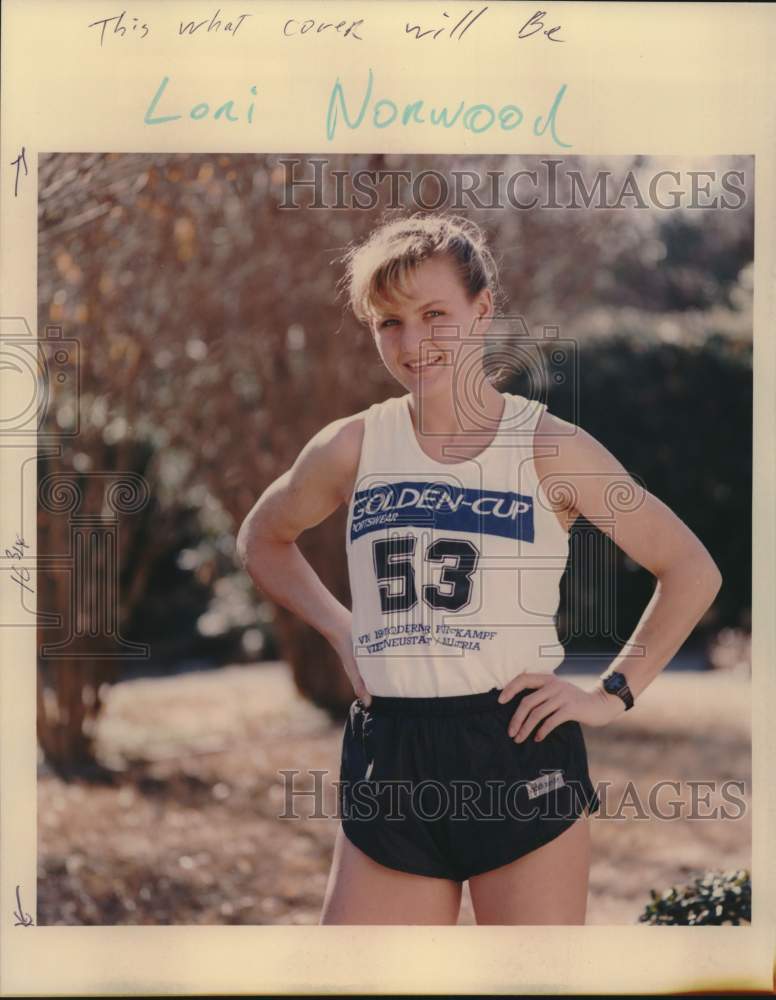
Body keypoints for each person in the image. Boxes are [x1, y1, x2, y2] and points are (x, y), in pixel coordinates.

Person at [236, 212, 722, 925]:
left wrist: (612, 692)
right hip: (392, 751)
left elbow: (689, 568)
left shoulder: (551, 448)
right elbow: (262, 539)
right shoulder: (352, 446)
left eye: (435, 314)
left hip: (516, 748)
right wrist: (344, 632)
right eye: (389, 323)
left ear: (483, 309)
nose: (413, 342)